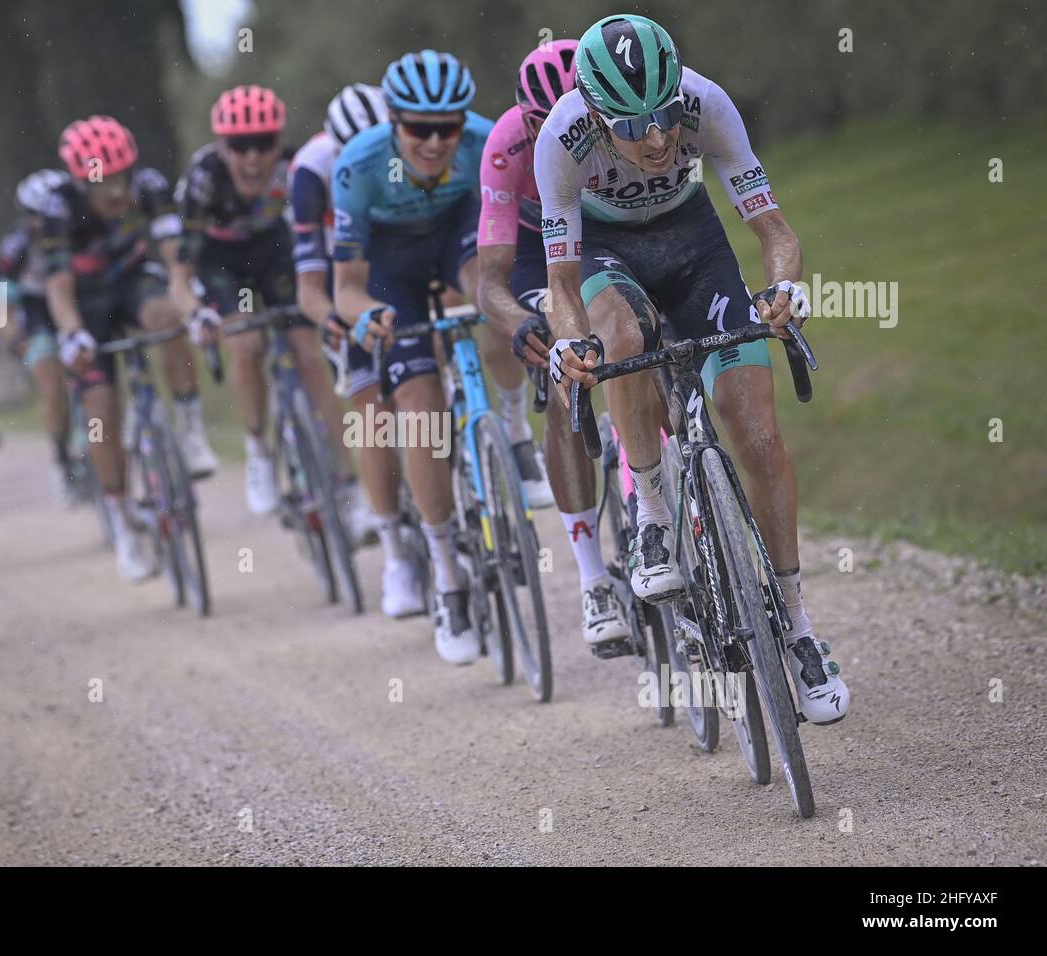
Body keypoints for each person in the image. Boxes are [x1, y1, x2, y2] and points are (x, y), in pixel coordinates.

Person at [540, 14, 849, 723]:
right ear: (592, 112)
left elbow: (774, 232)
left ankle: (798, 629)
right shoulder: (561, 138)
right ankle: (651, 510)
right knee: (618, 334)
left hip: (695, 241)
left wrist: (783, 290)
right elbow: (561, 286)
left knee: (760, 436)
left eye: (665, 115)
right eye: (631, 124)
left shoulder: (706, 101)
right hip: (606, 254)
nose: (656, 139)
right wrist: (573, 342)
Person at [334, 49, 517, 664]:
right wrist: (366, 315)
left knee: (492, 294)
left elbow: (520, 232)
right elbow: (345, 285)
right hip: (390, 267)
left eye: (449, 128)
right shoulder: (357, 167)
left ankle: (514, 433)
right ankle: (445, 574)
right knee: (418, 407)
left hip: (459, 235)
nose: (437, 143)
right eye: (420, 129)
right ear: (393, 121)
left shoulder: (485, 140)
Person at [477, 39, 630, 651]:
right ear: (525, 118)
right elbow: (489, 281)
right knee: (568, 381)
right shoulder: (504, 146)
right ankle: (593, 578)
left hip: (604, 235)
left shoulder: (621, 122)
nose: (559, 133)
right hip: (534, 260)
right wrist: (518, 320)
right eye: (543, 122)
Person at [168, 85, 364, 528]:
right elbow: (181, 274)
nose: (253, 157)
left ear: (279, 142)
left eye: (264, 144)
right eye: (240, 146)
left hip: (275, 251)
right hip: (221, 264)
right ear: (223, 146)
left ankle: (349, 485)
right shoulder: (203, 178)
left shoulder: (295, 169)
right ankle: (258, 450)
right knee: (247, 343)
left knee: (310, 355)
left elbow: (322, 237)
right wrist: (195, 311)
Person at [49, 115, 217, 583]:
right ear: (82, 181)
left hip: (131, 282)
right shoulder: (57, 208)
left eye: (122, 179)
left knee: (166, 317)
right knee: (101, 408)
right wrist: (72, 333)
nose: (117, 194)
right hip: (84, 300)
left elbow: (172, 257)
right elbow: (58, 288)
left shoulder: (149, 185)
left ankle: (188, 426)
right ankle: (123, 523)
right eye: (104, 184)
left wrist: (195, 307)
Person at [292, 82, 428, 617]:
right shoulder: (310, 173)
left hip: (399, 258)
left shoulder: (412, 149)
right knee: (369, 407)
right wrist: (330, 319)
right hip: (342, 275)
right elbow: (310, 285)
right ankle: (395, 554)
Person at [0, 169, 75, 505]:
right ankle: (61, 456)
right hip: (37, 314)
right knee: (50, 380)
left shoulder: (79, 230)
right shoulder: (16, 247)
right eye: (38, 216)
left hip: (75, 304)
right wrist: (12, 336)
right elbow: (4, 301)